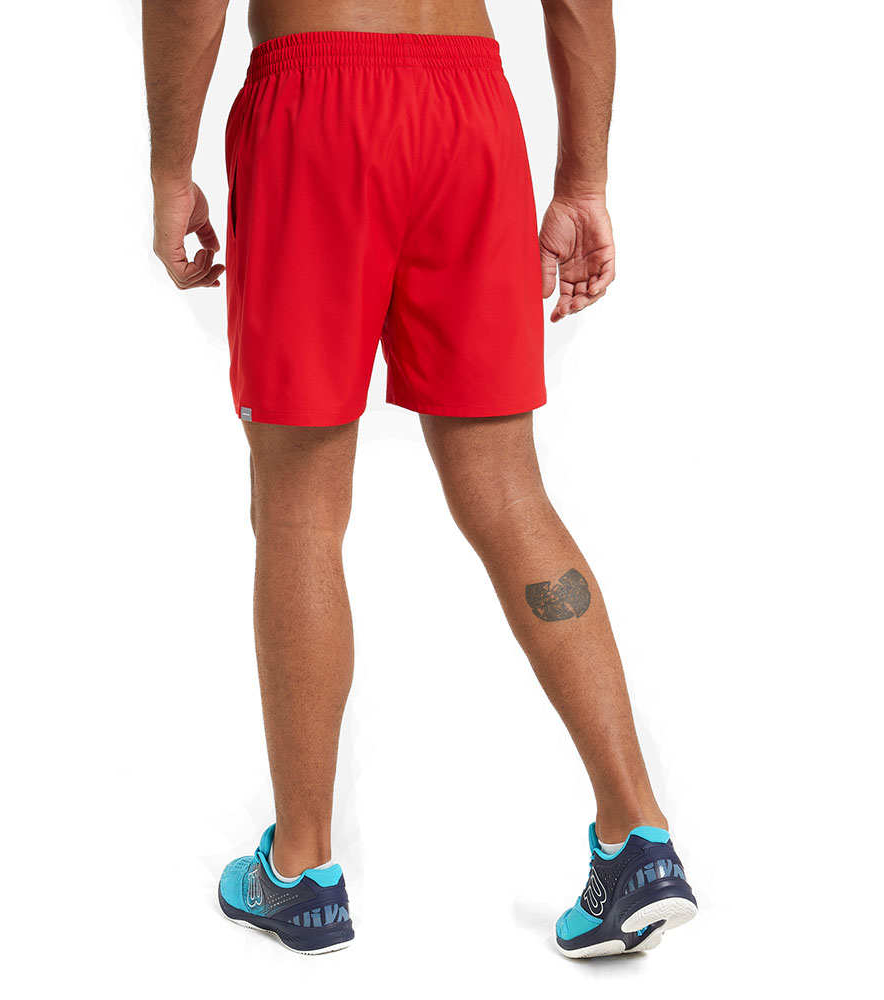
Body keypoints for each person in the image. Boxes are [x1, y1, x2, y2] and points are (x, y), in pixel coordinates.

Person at [142, 0, 697, 958]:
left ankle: (301, 873)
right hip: (468, 109)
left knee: (300, 510)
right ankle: (639, 836)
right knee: (509, 492)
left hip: (315, 103)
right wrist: (583, 180)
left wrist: (168, 170)